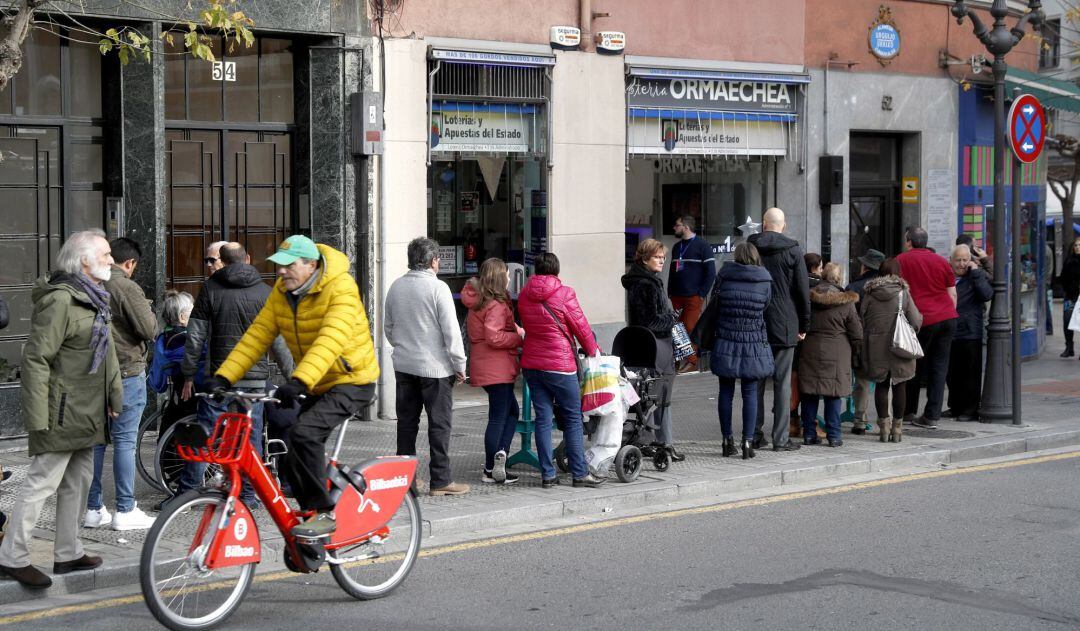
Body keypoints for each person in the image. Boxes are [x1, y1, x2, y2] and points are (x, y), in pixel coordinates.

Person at [210, 235, 379, 540]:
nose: (281, 272)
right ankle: (309, 525)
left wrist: (300, 380)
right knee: (291, 448)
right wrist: (224, 377)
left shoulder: (340, 288)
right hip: (316, 381)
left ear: (311, 264)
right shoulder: (282, 292)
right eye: (278, 266)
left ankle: (324, 514)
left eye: (288, 266)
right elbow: (257, 336)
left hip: (351, 380)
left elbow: (331, 339)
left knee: (304, 435)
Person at [0, 230, 123, 589]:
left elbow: (108, 356)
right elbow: (36, 359)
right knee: (41, 484)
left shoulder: (95, 298)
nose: (111, 260)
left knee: (78, 483)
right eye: (105, 254)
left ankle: (68, 553)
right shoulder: (60, 300)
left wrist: (115, 398)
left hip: (87, 411)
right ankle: (12, 556)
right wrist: (38, 418)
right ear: (83, 260)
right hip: (61, 411)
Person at [178, 242, 294, 508]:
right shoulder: (266, 293)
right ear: (249, 258)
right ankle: (247, 495)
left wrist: (188, 373)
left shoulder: (209, 289)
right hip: (254, 381)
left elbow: (195, 337)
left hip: (219, 379)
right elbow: (278, 342)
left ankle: (188, 493)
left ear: (223, 261)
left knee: (206, 434)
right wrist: (292, 379)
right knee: (250, 439)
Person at [384, 237, 470, 496]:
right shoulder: (438, 288)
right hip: (435, 368)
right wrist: (460, 364)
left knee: (406, 423)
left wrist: (402, 346)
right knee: (439, 424)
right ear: (433, 261)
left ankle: (406, 480)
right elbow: (451, 331)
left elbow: (388, 327)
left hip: (404, 365)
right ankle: (441, 480)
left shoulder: (396, 286)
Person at [84, 237, 158, 531]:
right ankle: (125, 510)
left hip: (93, 372)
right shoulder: (125, 286)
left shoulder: (88, 282)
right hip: (126, 371)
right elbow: (149, 329)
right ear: (129, 263)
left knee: (97, 443)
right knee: (125, 441)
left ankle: (93, 509)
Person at [518, 252, 605, 488]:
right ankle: (579, 473)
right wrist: (593, 350)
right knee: (573, 418)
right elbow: (581, 326)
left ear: (535, 270)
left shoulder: (525, 294)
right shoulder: (564, 293)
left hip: (532, 365)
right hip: (560, 365)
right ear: (557, 270)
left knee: (543, 419)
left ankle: (548, 474)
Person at [747, 207, 810, 452]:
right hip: (785, 323)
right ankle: (780, 439)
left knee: (756, 382)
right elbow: (802, 292)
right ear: (783, 225)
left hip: (756, 322)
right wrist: (804, 324)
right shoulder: (793, 250)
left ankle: (753, 434)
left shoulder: (751, 248)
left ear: (764, 224)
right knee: (783, 384)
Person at [703, 242, 773, 459]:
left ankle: (726, 441)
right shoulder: (764, 280)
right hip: (753, 341)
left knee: (726, 392)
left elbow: (715, 304)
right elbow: (766, 307)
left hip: (726, 339)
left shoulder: (724, 276)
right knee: (750, 392)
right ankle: (748, 443)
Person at [460, 258, 524, 485]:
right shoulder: (495, 305)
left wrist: (515, 328)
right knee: (500, 416)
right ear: (499, 277)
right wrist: (519, 337)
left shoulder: (479, 300)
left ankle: (499, 457)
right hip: (497, 366)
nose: (509, 277)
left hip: (486, 365)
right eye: (506, 274)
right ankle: (492, 465)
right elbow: (494, 336)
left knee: (508, 412)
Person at [621, 239, 684, 462]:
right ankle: (661, 442)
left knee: (655, 396)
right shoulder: (644, 284)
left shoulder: (649, 280)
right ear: (644, 258)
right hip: (654, 347)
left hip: (655, 346)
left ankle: (655, 440)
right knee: (658, 395)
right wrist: (673, 318)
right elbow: (650, 321)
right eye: (657, 257)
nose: (662, 261)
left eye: (663, 257)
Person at [897, 227, 958, 429]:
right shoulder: (942, 261)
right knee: (939, 368)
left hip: (921, 319)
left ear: (908, 242)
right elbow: (953, 294)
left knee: (913, 364)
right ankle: (932, 415)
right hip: (947, 317)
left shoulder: (901, 261)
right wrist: (947, 312)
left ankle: (908, 410)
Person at [858, 258, 923, 442]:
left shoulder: (870, 294)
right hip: (899, 346)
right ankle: (897, 429)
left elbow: (863, 318)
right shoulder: (903, 293)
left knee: (881, 385)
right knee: (900, 384)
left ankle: (883, 429)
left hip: (876, 346)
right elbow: (915, 320)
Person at [798, 263, 862, 447]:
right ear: (839, 279)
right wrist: (857, 352)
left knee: (809, 392)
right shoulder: (846, 303)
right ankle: (834, 436)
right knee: (833, 394)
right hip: (838, 352)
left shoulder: (809, 298)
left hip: (810, 349)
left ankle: (809, 434)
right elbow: (857, 333)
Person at [945, 245, 993, 421]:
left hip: (970, 332)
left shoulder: (975, 277)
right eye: (958, 260)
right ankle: (955, 407)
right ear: (951, 261)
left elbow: (987, 294)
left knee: (970, 375)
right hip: (951, 331)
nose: (962, 263)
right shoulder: (948, 276)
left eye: (965, 260)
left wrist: (977, 272)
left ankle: (970, 410)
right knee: (952, 374)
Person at [668, 215, 716, 372]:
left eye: (677, 225)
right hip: (677, 296)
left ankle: (692, 362)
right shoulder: (677, 247)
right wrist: (670, 291)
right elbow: (672, 271)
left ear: (686, 227)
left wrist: (701, 294)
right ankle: (682, 360)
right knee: (678, 329)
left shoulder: (703, 246)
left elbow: (710, 273)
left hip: (693, 296)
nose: (674, 228)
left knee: (690, 327)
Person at [846, 249, 885, 435]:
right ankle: (886, 421)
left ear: (864, 266)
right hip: (882, 340)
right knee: (884, 382)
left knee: (861, 381)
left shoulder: (854, 287)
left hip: (861, 338)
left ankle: (859, 421)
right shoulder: (888, 288)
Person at [147, 290, 201, 426]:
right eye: (192, 312)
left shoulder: (167, 335)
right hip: (192, 389)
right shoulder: (183, 339)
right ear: (182, 317)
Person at [1058, 236, 1080, 358]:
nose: (1077, 247)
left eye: (1079, 245)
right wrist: (1067, 291)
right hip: (1070, 296)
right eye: (1076, 245)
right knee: (1067, 321)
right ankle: (1069, 347)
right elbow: (1063, 278)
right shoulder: (1069, 261)